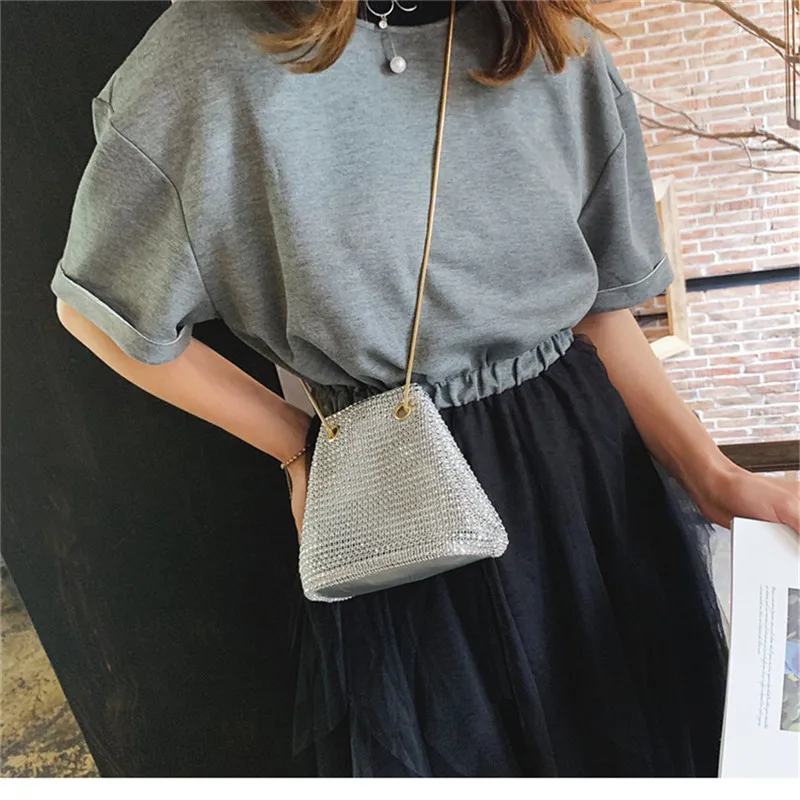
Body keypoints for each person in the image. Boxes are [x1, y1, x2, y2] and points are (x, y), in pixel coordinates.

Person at [51, 0, 798, 777]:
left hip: (592, 478)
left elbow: (602, 313)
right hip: (401, 497)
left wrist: (713, 475)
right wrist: (300, 448)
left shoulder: (548, 35)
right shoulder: (206, 58)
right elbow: (100, 312)